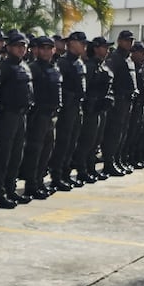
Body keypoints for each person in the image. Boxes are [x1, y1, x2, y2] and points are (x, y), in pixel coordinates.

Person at [0, 33, 33, 207]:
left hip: (22, 115)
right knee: (3, 154)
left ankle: (10, 189)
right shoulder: (4, 67)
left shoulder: (25, 66)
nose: (21, 49)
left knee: (16, 154)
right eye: (17, 46)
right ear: (9, 47)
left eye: (24, 46)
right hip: (8, 114)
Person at [21, 36, 62, 200]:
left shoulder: (54, 67)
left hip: (50, 115)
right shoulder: (33, 68)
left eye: (49, 48)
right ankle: (31, 185)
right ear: (36, 50)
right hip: (38, 115)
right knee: (35, 151)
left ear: (53, 50)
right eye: (42, 48)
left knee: (46, 150)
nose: (46, 51)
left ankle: (39, 181)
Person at [50, 31, 88, 189]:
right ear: (72, 43)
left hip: (76, 107)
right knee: (63, 143)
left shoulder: (79, 62)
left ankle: (66, 173)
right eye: (82, 43)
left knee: (72, 142)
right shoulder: (63, 63)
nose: (85, 46)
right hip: (66, 108)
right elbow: (58, 86)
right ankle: (57, 176)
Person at [73, 36, 113, 183]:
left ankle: (91, 168)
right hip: (91, 109)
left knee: (96, 141)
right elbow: (86, 89)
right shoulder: (90, 66)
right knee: (87, 141)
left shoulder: (102, 65)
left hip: (100, 109)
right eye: (104, 47)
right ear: (96, 48)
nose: (107, 50)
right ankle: (82, 170)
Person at [102, 30, 137, 176]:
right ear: (119, 41)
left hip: (128, 101)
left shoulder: (128, 58)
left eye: (131, 40)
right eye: (126, 40)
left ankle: (117, 159)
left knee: (122, 133)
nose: (129, 43)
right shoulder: (115, 58)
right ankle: (109, 163)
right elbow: (110, 80)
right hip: (118, 101)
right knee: (113, 133)